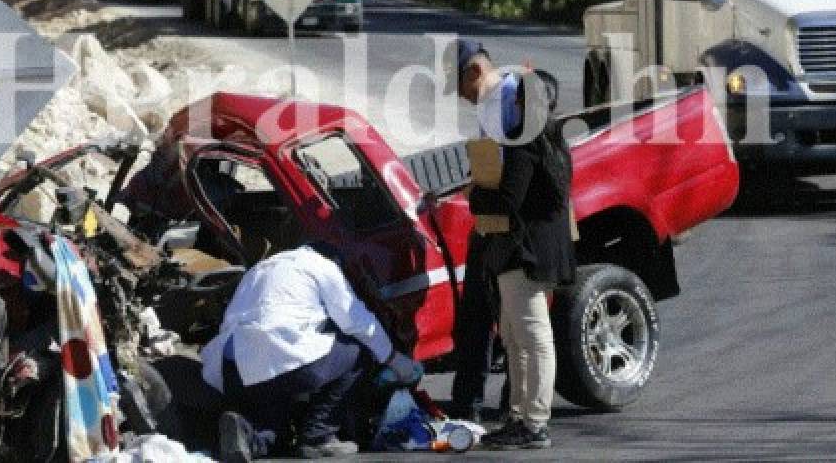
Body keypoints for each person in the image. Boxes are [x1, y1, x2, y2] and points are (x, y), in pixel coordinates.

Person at [442, 38, 576, 450]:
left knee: (531, 336)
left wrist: (475, 195)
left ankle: (534, 422)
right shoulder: (541, 139)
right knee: (516, 335)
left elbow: (506, 198)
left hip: (526, 250)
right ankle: (520, 415)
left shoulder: (525, 143)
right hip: (520, 248)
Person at [201, 243, 421, 462]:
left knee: (276, 428)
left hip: (233, 370)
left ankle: (248, 437)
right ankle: (318, 436)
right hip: (282, 360)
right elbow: (356, 321)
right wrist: (392, 357)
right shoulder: (321, 265)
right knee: (357, 351)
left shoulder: (260, 268)